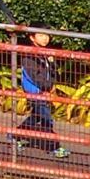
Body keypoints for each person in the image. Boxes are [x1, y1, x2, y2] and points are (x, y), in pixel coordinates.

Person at [14, 31, 67, 160]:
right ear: (32, 37)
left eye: (47, 35)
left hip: (44, 91)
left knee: (36, 117)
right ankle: (53, 146)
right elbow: (34, 76)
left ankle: (14, 136)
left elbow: (52, 71)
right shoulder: (29, 54)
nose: (45, 38)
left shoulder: (46, 53)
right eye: (41, 35)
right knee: (46, 119)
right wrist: (45, 88)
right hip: (35, 91)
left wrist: (51, 86)